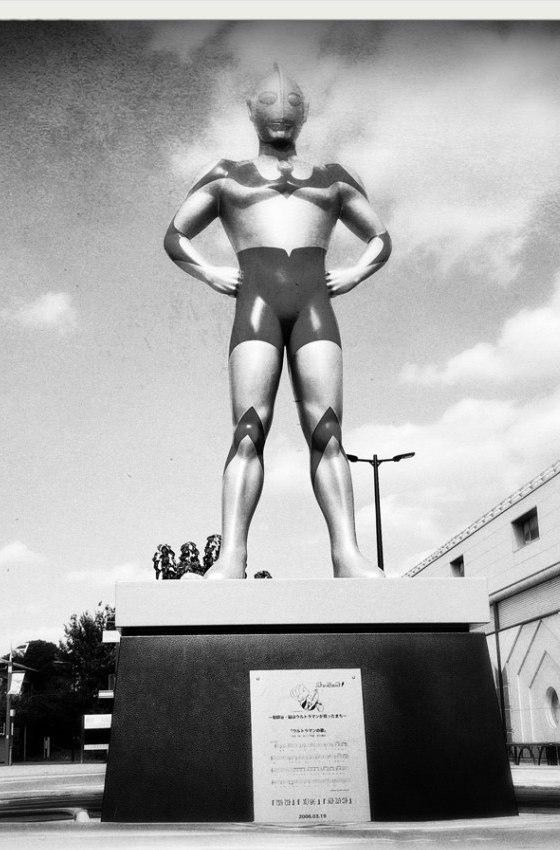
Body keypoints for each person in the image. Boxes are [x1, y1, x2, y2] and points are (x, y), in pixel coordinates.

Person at [164, 65, 392, 579]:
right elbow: (175, 235)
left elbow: (380, 238)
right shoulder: (227, 175)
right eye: (269, 100)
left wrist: (355, 272)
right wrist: (209, 272)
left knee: (327, 430)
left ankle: (347, 554)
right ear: (250, 111)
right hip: (257, 306)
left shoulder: (333, 177)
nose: (282, 109)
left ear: (305, 112)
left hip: (314, 306)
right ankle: (232, 556)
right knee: (249, 429)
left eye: (292, 101)